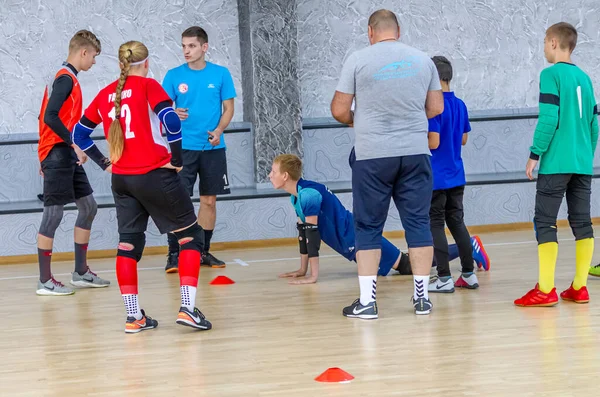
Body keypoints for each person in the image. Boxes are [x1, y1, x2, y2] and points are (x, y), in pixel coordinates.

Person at [73, 40, 212, 333]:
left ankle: (133, 316)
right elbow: (171, 120)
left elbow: (79, 133)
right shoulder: (148, 87)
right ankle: (187, 308)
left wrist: (104, 163)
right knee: (191, 237)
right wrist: (176, 158)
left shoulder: (105, 94)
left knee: (128, 244)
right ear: (146, 63)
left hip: (121, 179)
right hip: (155, 174)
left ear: (121, 65)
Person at [331, 9, 444, 318]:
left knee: (367, 226)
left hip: (372, 155)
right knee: (418, 223)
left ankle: (368, 303)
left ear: (371, 31)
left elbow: (339, 110)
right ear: (399, 30)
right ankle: (421, 298)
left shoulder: (358, 59)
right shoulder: (423, 60)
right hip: (415, 152)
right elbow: (436, 107)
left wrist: (362, 121)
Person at [515, 22, 598, 307]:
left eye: (543, 42)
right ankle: (579, 287)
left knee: (545, 222)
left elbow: (549, 118)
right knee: (582, 222)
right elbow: (594, 124)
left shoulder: (550, 75)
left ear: (552, 42)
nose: (543, 48)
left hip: (556, 163)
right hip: (582, 163)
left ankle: (546, 289)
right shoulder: (586, 79)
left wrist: (535, 153)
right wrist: (586, 154)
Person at [36, 30, 110, 296]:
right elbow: (49, 117)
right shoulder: (65, 79)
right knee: (53, 215)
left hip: (63, 152)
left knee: (88, 207)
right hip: (58, 152)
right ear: (83, 52)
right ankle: (45, 281)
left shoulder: (70, 80)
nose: (94, 62)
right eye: (94, 57)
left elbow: (47, 118)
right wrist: (71, 145)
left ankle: (80, 272)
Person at [161, 26, 236, 272]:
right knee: (177, 202)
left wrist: (219, 130)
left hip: (213, 148)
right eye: (183, 46)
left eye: (191, 46)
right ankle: (174, 253)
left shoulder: (221, 74)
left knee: (209, 201)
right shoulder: (173, 75)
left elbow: (228, 109)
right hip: (182, 149)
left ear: (204, 47)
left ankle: (203, 251)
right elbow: (159, 111)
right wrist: (171, 112)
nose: (186, 50)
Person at [427, 56, 485, 294]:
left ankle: (443, 277)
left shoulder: (433, 106)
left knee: (435, 225)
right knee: (457, 223)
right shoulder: (460, 104)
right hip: (457, 175)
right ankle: (468, 274)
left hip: (436, 178)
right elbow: (463, 138)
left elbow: (433, 141)